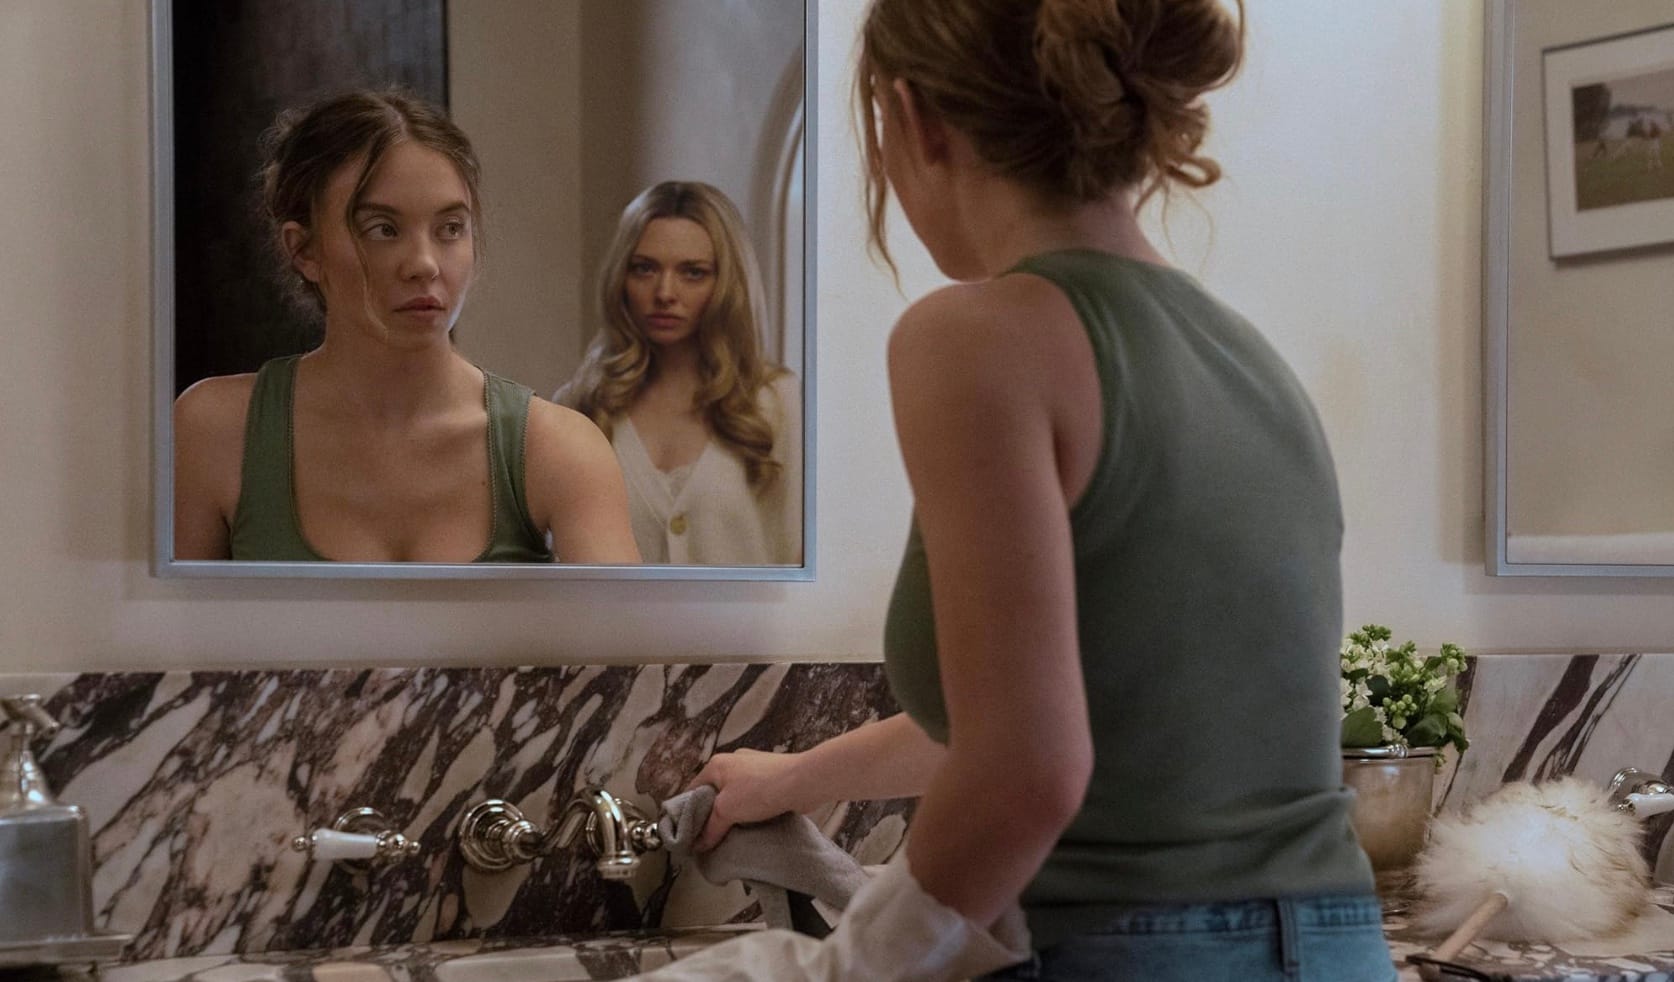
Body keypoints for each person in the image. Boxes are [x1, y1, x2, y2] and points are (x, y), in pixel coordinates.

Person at [670, 0, 1396, 979]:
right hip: (1342, 947)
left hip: (1132, 953)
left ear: (914, 119)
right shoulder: (1253, 363)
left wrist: (854, 963)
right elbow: (1069, 710)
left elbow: (1027, 773)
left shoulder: (974, 336)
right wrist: (796, 779)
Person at [173, 90, 639, 564]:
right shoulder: (216, 432)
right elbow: (152, 612)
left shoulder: (556, 447)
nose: (424, 264)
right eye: (383, 229)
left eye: (450, 228)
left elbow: (621, 616)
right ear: (304, 250)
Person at [555, 181, 802, 566]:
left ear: (726, 283)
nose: (665, 293)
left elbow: (799, 560)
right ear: (622, 277)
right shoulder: (580, 407)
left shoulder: (779, 403)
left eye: (693, 272)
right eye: (645, 268)